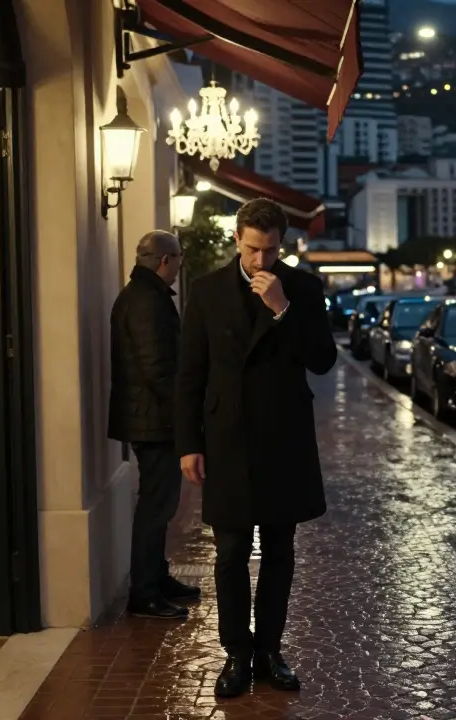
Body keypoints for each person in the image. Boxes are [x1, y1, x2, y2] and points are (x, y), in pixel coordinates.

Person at [175, 198, 337, 698]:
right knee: (229, 553)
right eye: (251, 249)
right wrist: (188, 444)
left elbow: (324, 361)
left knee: (280, 552)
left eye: (269, 251)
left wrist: (283, 309)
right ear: (236, 240)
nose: (260, 261)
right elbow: (190, 375)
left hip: (283, 437)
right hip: (227, 439)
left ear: (281, 245)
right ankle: (236, 655)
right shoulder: (205, 292)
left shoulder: (303, 289)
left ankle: (270, 650)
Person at [108, 230, 201, 620]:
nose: (180, 266)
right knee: (155, 506)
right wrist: (183, 417)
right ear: (165, 260)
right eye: (178, 258)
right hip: (153, 421)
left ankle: (157, 579)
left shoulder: (143, 295)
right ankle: (144, 592)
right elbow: (159, 368)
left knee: (159, 504)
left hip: (149, 418)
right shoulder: (147, 300)